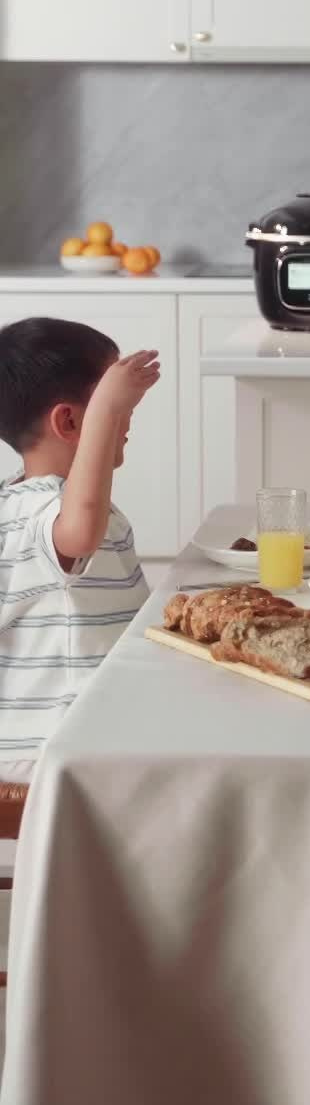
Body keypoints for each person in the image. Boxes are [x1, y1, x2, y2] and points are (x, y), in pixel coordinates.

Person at [0, 318, 158, 786]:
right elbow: (81, 531)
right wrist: (108, 412)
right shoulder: (44, 511)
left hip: (74, 735)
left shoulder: (23, 501)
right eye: (118, 408)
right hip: (56, 747)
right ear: (70, 422)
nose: (128, 421)